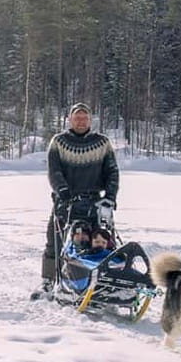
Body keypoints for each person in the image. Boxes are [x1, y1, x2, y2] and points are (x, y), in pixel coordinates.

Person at [32, 102, 119, 299]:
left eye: (85, 118)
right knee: (56, 241)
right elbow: (54, 171)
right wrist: (62, 190)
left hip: (95, 202)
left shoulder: (102, 142)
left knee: (99, 242)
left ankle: (100, 281)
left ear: (90, 120)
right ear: (70, 120)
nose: (81, 121)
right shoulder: (59, 142)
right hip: (66, 201)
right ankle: (48, 281)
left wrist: (110, 197)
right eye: (77, 118)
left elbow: (112, 171)